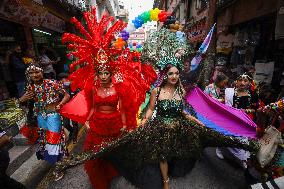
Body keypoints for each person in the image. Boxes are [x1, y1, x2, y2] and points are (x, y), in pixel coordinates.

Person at [58, 8, 157, 189]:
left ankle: (113, 171)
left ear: (111, 73)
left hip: (114, 124)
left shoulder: (120, 87)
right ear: (97, 73)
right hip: (97, 126)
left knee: (114, 153)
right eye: (100, 72)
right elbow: (91, 106)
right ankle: (100, 180)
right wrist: (86, 121)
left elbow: (124, 106)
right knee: (95, 157)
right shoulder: (92, 88)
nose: (103, 76)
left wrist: (126, 125)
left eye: (106, 72)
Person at [18, 64, 70, 180]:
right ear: (28, 75)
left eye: (37, 72)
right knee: (47, 141)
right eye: (32, 73)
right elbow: (22, 104)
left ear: (42, 72)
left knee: (53, 141)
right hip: (40, 117)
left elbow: (66, 95)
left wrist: (60, 104)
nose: (35, 75)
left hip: (53, 116)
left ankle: (58, 167)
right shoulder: (29, 88)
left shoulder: (52, 83)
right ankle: (61, 158)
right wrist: (22, 99)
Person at [57, 72, 78, 143]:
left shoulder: (72, 86)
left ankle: (74, 138)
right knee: (66, 123)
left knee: (75, 123)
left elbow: (77, 94)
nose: (65, 80)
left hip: (73, 107)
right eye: (63, 79)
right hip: (64, 108)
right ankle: (71, 132)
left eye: (66, 79)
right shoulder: (58, 87)